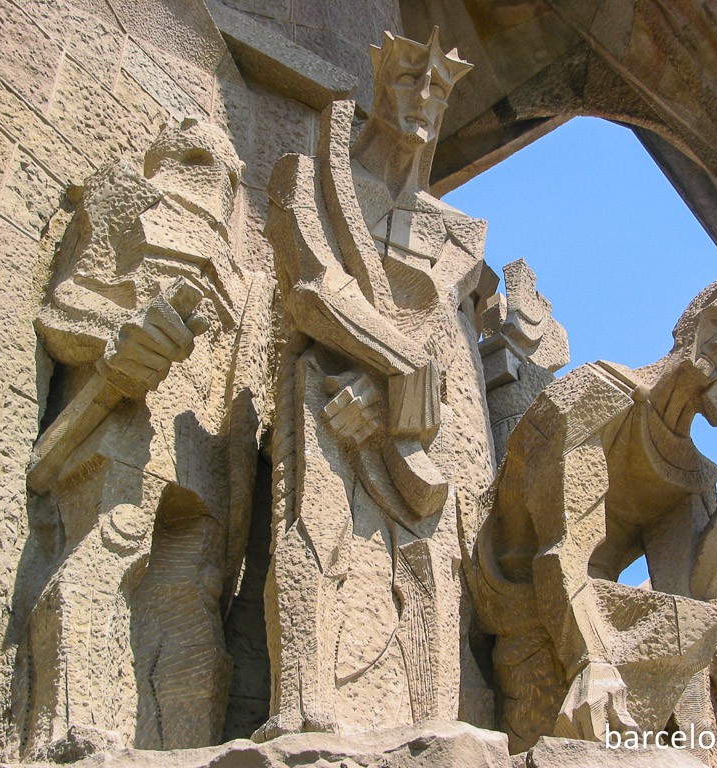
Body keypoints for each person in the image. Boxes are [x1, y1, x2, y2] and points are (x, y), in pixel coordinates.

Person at [260, 29, 497, 736]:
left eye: (439, 89)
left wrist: (402, 392)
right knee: (316, 532)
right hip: (327, 393)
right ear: (376, 87)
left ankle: (430, 724)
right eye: (407, 80)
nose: (422, 99)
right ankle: (302, 712)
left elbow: (437, 332)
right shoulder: (310, 177)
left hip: (415, 424)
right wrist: (389, 367)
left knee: (431, 561)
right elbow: (311, 289)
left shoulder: (459, 233)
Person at [17, 117, 260, 756]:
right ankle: (73, 733)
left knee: (193, 596)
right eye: (200, 151)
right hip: (120, 422)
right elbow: (68, 305)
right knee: (103, 557)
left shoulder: (245, 265)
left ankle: (177, 749)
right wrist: (119, 339)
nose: (220, 172)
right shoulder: (124, 196)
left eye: (229, 169)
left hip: (198, 450)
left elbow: (244, 367)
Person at [470, 281, 717, 754]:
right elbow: (560, 548)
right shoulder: (599, 394)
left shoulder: (689, 473)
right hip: (528, 603)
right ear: (687, 323)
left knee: (695, 639)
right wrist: (590, 663)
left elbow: (703, 590)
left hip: (593, 615)